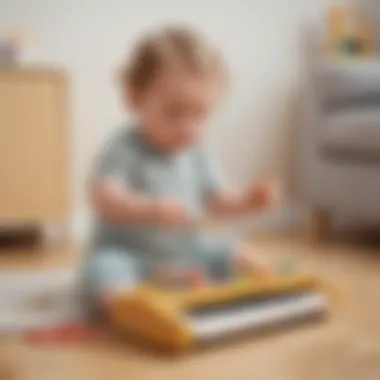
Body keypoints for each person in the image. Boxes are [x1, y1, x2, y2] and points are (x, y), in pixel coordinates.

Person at [82, 25, 280, 314]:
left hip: (182, 253)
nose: (188, 128)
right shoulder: (124, 148)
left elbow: (219, 202)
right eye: (174, 112)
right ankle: (130, 308)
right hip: (128, 255)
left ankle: (268, 283)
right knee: (103, 269)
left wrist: (250, 201)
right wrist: (149, 209)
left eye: (200, 115)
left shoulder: (198, 152)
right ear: (135, 99)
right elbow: (103, 198)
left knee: (230, 249)